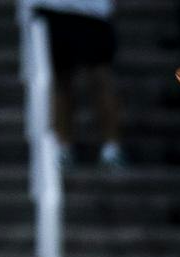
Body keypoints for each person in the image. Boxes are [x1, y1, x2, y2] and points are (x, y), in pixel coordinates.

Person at [32, 0, 125, 166]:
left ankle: (112, 147)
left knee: (100, 78)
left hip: (94, 12)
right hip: (52, 8)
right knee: (60, 80)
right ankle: (63, 146)